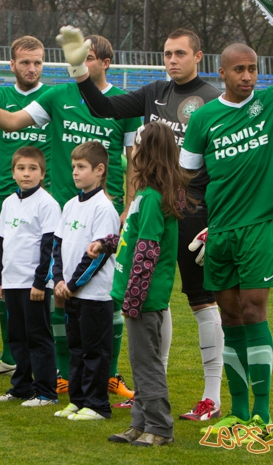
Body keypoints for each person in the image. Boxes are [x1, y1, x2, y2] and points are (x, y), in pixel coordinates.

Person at [0, 34, 137, 397]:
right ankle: (66, 373)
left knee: (107, 295)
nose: (82, 64)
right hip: (67, 210)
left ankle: (110, 374)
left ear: (105, 62)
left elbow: (134, 160)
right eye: (77, 58)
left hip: (107, 212)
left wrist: (128, 206)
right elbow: (9, 122)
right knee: (62, 293)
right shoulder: (57, 96)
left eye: (89, 57)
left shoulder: (125, 103)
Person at [179, 12, 273, 436]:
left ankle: (262, 413)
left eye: (253, 69)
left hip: (260, 225)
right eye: (240, 70)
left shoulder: (269, 105)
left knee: (253, 309)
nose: (248, 77)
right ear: (222, 72)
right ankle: (239, 409)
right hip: (221, 232)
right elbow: (187, 178)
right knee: (228, 316)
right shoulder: (203, 119)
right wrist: (203, 223)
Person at [58, 26, 224, 416]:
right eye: (167, 53)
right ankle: (153, 390)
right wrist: (80, 71)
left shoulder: (212, 100)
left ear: (198, 57)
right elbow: (104, 108)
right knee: (154, 301)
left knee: (202, 301)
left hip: (196, 213)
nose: (172, 60)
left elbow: (221, 168)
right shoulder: (154, 93)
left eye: (180, 53)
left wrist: (214, 221)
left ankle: (211, 396)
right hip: (155, 209)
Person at [103, 121, 194, 446]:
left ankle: (159, 427)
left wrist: (134, 296)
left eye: (138, 145)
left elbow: (148, 251)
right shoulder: (145, 194)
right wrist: (108, 242)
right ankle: (139, 423)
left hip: (143, 297)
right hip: (135, 294)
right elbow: (133, 238)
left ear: (148, 152)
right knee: (140, 362)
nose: (133, 152)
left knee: (147, 363)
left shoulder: (154, 198)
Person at [0, 36, 51, 379]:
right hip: (5, 200)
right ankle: (9, 356)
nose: (31, 68)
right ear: (12, 64)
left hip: (45, 202)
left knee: (45, 283)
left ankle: (48, 361)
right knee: (6, 279)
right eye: (25, 62)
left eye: (37, 62)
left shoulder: (51, 97)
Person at [52, 141, 121, 421]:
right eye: (73, 167)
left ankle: (98, 405)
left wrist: (73, 284)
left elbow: (98, 256)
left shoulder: (104, 208)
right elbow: (57, 245)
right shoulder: (69, 205)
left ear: (100, 170)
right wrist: (58, 279)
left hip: (94, 295)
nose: (76, 173)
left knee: (95, 352)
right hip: (71, 293)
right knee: (76, 350)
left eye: (82, 167)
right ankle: (78, 400)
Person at [0, 146, 60, 406]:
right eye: (21, 168)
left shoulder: (47, 204)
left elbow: (50, 245)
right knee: (17, 336)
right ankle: (21, 387)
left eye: (32, 169)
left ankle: (46, 392)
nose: (26, 173)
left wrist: (41, 281)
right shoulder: (9, 203)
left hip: (34, 284)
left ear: (42, 174)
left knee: (38, 337)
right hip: (11, 281)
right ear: (13, 172)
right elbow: (1, 242)